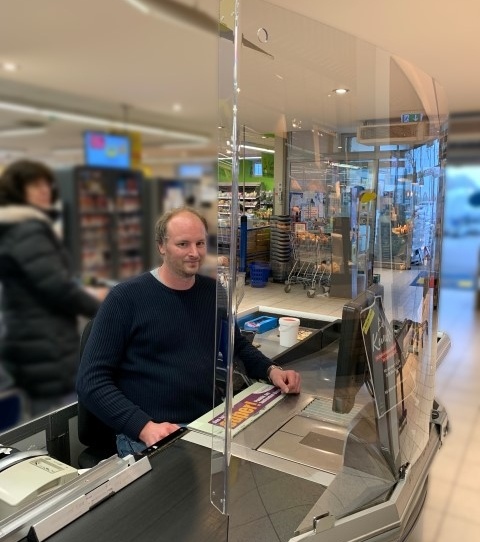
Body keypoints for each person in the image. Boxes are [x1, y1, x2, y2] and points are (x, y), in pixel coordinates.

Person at [76, 207, 301, 457]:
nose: (194, 253)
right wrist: (143, 427)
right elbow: (91, 381)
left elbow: (236, 345)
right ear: (161, 246)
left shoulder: (214, 293)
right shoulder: (125, 299)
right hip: (152, 432)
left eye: (200, 243)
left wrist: (273, 371)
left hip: (207, 422)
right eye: (183, 244)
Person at [0, 159, 106, 418]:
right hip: (45, 342)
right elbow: (56, 287)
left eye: (47, 183)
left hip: (27, 334)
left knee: (35, 416)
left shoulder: (14, 226)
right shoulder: (28, 229)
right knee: (55, 418)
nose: (45, 190)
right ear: (18, 190)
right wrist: (103, 309)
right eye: (35, 185)